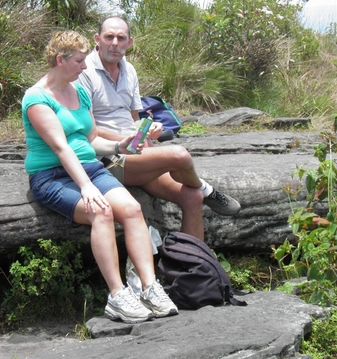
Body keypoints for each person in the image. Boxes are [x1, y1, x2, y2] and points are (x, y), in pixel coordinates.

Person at [22, 31, 178, 324]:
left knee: (132, 210)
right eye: (80, 61)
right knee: (102, 212)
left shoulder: (78, 92)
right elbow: (61, 147)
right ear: (60, 60)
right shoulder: (36, 98)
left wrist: (122, 146)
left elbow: (91, 139)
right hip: (52, 175)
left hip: (89, 167)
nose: (85, 67)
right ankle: (117, 296)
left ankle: (149, 288)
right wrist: (85, 187)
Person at [77, 16, 241, 242]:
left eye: (121, 38)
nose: (114, 43)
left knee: (192, 197)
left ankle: (194, 267)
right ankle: (208, 190)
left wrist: (147, 130)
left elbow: (134, 119)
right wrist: (128, 140)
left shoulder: (130, 70)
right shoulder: (84, 72)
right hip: (107, 157)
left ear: (129, 43)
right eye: (109, 37)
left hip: (136, 149)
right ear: (97, 39)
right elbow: (89, 130)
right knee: (179, 154)